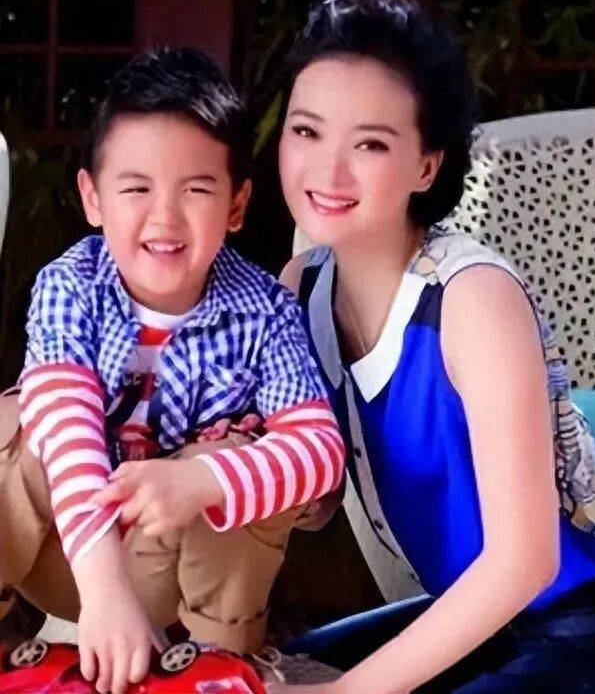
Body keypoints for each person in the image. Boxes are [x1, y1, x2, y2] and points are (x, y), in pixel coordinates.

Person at [275, 0, 595, 693]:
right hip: (477, 623)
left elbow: (526, 563)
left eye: (369, 144)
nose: (328, 171)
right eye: (306, 132)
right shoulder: (301, 287)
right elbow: (318, 502)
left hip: (578, 624)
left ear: (426, 166)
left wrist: (345, 693)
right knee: (261, 674)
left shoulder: (471, 298)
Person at [0, 46, 345, 694]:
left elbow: (322, 453)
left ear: (236, 204)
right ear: (93, 198)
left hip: (168, 560)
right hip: (62, 551)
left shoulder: (265, 312)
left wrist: (205, 479)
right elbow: (65, 419)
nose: (164, 217)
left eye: (196, 190)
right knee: (20, 423)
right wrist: (103, 590)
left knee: (245, 456)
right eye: (136, 188)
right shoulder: (71, 285)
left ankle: (218, 664)